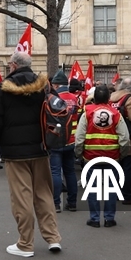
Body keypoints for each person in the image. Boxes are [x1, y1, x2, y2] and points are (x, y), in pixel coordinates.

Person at [0, 51, 62, 256]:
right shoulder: (44, 86)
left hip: (14, 151)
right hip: (41, 147)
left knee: (22, 197)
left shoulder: (3, 90)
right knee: (44, 194)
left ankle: (25, 243)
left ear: (13, 66)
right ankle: (53, 238)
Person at [76, 83, 129, 229]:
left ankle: (94, 219)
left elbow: (79, 137)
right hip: (112, 156)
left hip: (91, 157)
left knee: (92, 188)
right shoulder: (115, 113)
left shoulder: (87, 112)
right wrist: (121, 155)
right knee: (111, 188)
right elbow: (124, 138)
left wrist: (79, 154)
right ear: (108, 97)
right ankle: (109, 219)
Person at [48, 69, 80, 212]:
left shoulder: (53, 98)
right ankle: (72, 203)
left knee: (55, 172)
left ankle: (56, 204)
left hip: (56, 139)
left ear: (55, 85)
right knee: (70, 172)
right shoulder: (75, 98)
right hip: (71, 139)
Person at [111, 77, 131, 206]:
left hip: (114, 135)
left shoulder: (112, 97)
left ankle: (116, 192)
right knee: (128, 168)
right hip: (130, 137)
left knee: (117, 167)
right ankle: (127, 195)